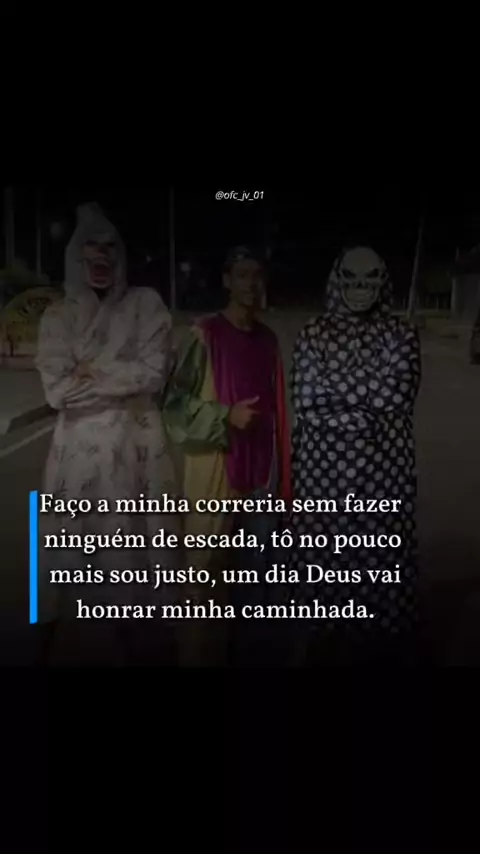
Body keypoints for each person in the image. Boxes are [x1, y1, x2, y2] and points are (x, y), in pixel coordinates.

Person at [35, 203, 180, 665]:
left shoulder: (146, 305)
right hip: (77, 456)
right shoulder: (57, 316)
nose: (101, 257)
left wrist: (91, 371)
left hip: (138, 452)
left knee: (137, 567)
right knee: (58, 571)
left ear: (121, 255)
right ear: (77, 256)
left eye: (109, 248)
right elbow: (57, 391)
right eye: (91, 247)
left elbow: (154, 374)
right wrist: (123, 375)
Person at [288, 246, 421, 665]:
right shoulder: (313, 333)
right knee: (323, 560)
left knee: (380, 560)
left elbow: (397, 396)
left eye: (370, 278)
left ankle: (379, 643)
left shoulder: (400, 334)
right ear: (337, 279)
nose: (361, 288)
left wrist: (336, 393)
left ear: (384, 282)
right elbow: (307, 400)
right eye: (352, 278)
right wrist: (366, 404)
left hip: (384, 475)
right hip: (321, 477)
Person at [163, 246, 291, 665]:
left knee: (254, 580)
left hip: (259, 473)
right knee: (204, 576)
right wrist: (224, 415)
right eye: (242, 275)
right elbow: (174, 405)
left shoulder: (268, 340)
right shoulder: (205, 334)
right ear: (227, 281)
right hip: (214, 467)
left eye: (257, 275)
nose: (250, 284)